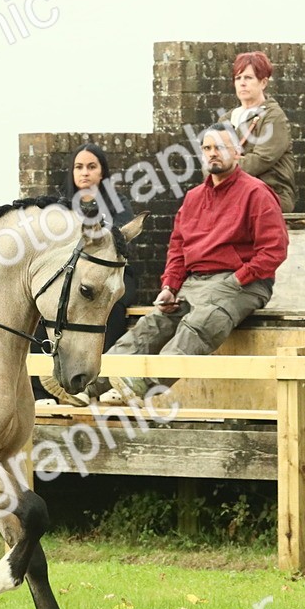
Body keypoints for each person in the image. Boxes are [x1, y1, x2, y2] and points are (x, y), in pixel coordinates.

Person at [85, 123, 288, 404]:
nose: (213, 153)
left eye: (220, 147)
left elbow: (274, 250)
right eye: (207, 148)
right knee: (151, 325)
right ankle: (90, 385)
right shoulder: (193, 198)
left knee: (200, 323)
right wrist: (169, 287)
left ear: (237, 152)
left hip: (243, 282)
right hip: (194, 283)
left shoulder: (257, 193)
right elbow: (178, 249)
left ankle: (138, 388)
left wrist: (238, 279)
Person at [32, 143, 140, 406]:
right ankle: (40, 391)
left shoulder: (117, 203)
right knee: (41, 311)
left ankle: (93, 386)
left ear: (102, 173)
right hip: (69, 277)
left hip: (112, 276)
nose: (85, 172)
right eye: (79, 167)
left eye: (91, 167)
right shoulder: (60, 206)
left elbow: (119, 238)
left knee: (110, 309)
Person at [229, 50, 296, 213]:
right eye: (238, 78)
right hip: (233, 193)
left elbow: (261, 160)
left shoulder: (273, 117)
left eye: (248, 78)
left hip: (271, 194)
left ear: (263, 83)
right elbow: (209, 159)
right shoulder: (226, 119)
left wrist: (224, 167)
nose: (242, 83)